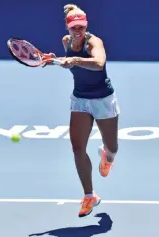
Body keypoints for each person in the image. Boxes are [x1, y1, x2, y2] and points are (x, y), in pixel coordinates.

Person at [47, 4, 120, 217]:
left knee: (113, 147)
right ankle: (89, 195)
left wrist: (75, 60)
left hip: (103, 99)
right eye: (74, 27)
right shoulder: (66, 41)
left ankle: (108, 157)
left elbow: (99, 63)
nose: (77, 30)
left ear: (86, 26)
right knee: (77, 148)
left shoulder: (94, 42)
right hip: (80, 99)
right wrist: (55, 60)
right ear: (67, 27)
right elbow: (70, 64)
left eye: (81, 26)